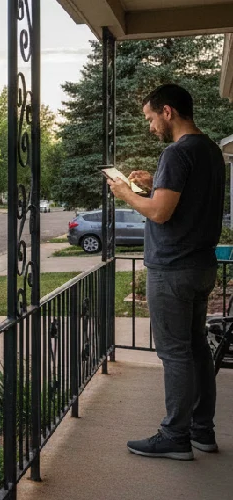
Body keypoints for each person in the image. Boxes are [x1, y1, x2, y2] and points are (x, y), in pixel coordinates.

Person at [108, 83, 224, 461]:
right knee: (196, 350)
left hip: (173, 269)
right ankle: (201, 430)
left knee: (175, 354)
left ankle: (174, 436)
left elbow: (160, 212)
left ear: (168, 112)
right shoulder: (209, 150)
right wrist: (151, 184)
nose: (150, 125)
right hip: (202, 266)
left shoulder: (177, 153)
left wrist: (126, 193)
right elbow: (180, 199)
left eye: (151, 117)